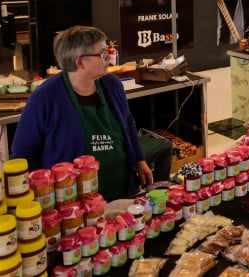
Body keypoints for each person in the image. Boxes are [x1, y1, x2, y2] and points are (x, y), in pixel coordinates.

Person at [11, 26, 170, 200]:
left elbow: (128, 124)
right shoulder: (44, 98)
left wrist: (139, 160)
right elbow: (23, 154)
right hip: (72, 204)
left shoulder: (112, 84)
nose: (109, 58)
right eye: (102, 53)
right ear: (80, 62)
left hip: (120, 190)